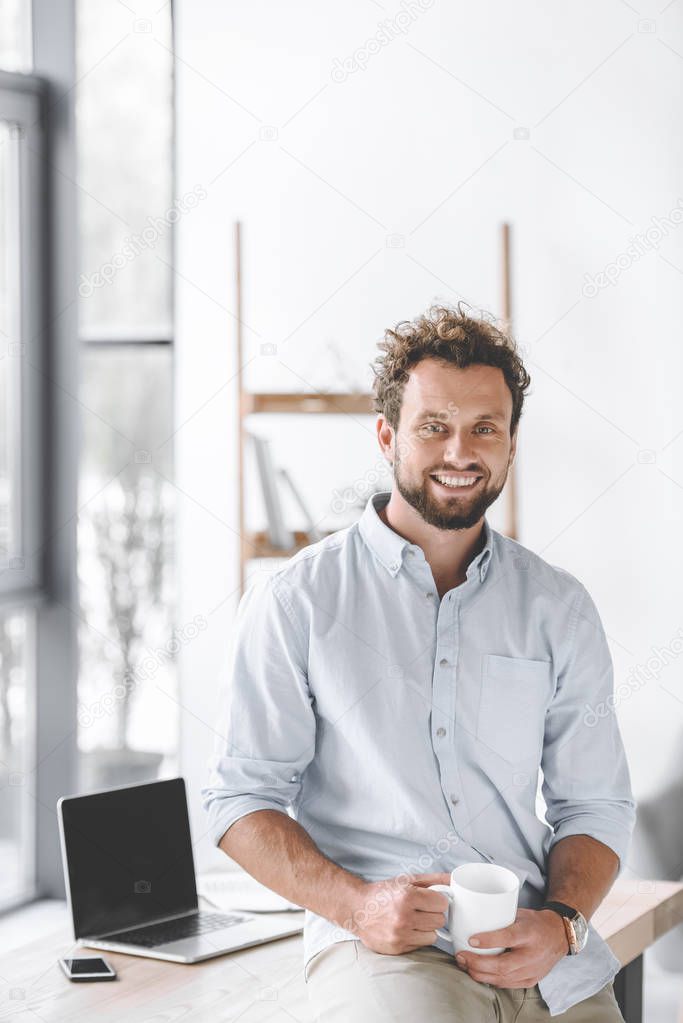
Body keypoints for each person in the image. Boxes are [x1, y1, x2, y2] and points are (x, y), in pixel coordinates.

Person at [202, 303, 636, 1020]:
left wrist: (560, 923)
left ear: (510, 443)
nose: (459, 452)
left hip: (542, 950)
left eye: (483, 429)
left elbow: (593, 802)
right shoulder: (296, 600)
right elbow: (238, 797)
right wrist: (356, 904)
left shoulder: (558, 606)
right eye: (433, 426)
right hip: (383, 950)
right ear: (386, 435)